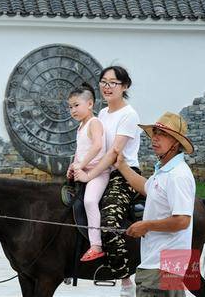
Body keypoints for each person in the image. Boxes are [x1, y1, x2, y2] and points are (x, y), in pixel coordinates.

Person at [114, 112, 196, 297]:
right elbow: (147, 187)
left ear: (175, 144)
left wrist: (146, 225)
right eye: (155, 132)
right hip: (162, 262)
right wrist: (122, 166)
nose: (155, 138)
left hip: (161, 266)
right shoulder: (164, 171)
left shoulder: (177, 175)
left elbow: (182, 220)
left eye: (163, 134)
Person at [76, 66, 140, 296]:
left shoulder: (129, 115)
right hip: (101, 171)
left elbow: (114, 153)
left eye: (113, 82)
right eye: (104, 81)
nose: (107, 86)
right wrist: (78, 165)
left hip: (124, 174)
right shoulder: (102, 114)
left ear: (125, 86)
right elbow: (94, 147)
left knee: (110, 219)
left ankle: (124, 278)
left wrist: (89, 175)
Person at [65, 83, 109, 262]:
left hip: (98, 172)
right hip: (83, 170)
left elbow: (98, 145)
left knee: (90, 201)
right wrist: (73, 165)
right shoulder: (81, 127)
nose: (73, 110)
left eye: (76, 105)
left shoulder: (94, 123)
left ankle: (96, 245)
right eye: (70, 107)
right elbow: (80, 150)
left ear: (90, 104)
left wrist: (81, 164)